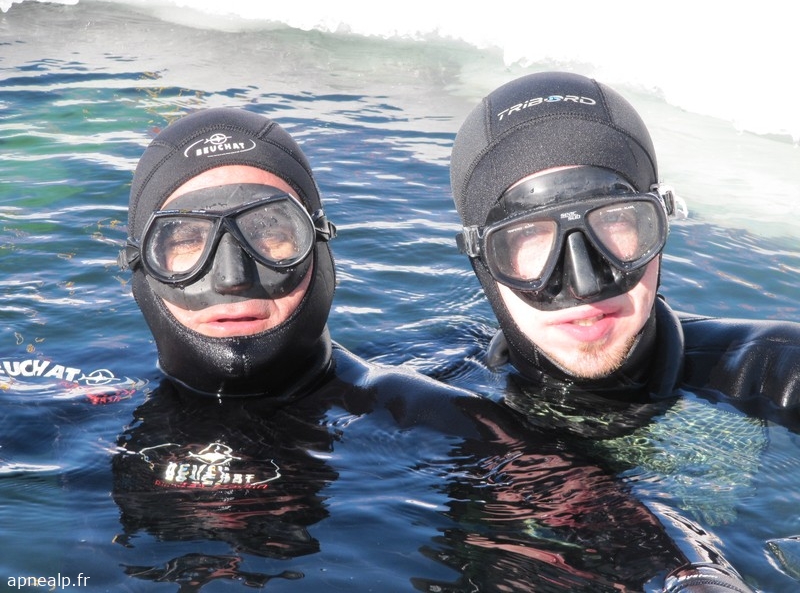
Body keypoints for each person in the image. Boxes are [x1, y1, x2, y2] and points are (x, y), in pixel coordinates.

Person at [113, 106, 730, 591]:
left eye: (271, 233)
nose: (231, 276)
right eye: (185, 242)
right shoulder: (78, 396)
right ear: (140, 265)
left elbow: (606, 516)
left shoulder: (440, 419)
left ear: (321, 247)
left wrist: (694, 581)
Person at [447, 70, 800, 590]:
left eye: (615, 221)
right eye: (528, 237)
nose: (585, 283)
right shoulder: (423, 401)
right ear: (483, 260)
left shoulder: (772, 370)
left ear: (660, 223)